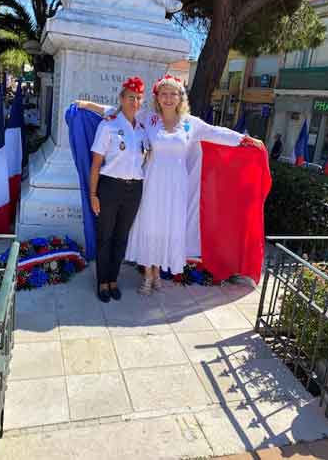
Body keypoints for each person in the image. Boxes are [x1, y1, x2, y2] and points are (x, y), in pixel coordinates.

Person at [125, 75, 263, 294]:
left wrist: (244, 139)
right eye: (164, 94)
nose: (168, 98)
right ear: (157, 98)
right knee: (150, 227)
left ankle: (158, 272)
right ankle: (148, 276)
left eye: (173, 94)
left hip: (176, 185)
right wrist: (89, 106)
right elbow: (122, 113)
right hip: (152, 182)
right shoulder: (148, 118)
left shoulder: (191, 123)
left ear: (181, 97)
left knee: (167, 229)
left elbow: (217, 132)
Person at [88, 76, 148, 303]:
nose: (135, 101)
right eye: (130, 97)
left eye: (139, 98)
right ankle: (102, 282)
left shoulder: (142, 130)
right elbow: (95, 164)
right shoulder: (108, 125)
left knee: (121, 237)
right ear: (121, 99)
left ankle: (113, 280)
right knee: (105, 236)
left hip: (134, 190)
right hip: (110, 187)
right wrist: (93, 195)